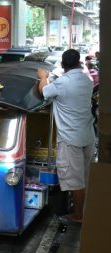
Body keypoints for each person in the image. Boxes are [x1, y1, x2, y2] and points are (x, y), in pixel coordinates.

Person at [37, 49, 95, 223]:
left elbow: (43, 92)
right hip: (87, 136)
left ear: (63, 65)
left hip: (71, 140)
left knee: (74, 181)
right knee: (84, 177)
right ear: (78, 63)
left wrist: (43, 77)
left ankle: (78, 216)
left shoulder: (62, 83)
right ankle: (82, 208)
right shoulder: (87, 80)